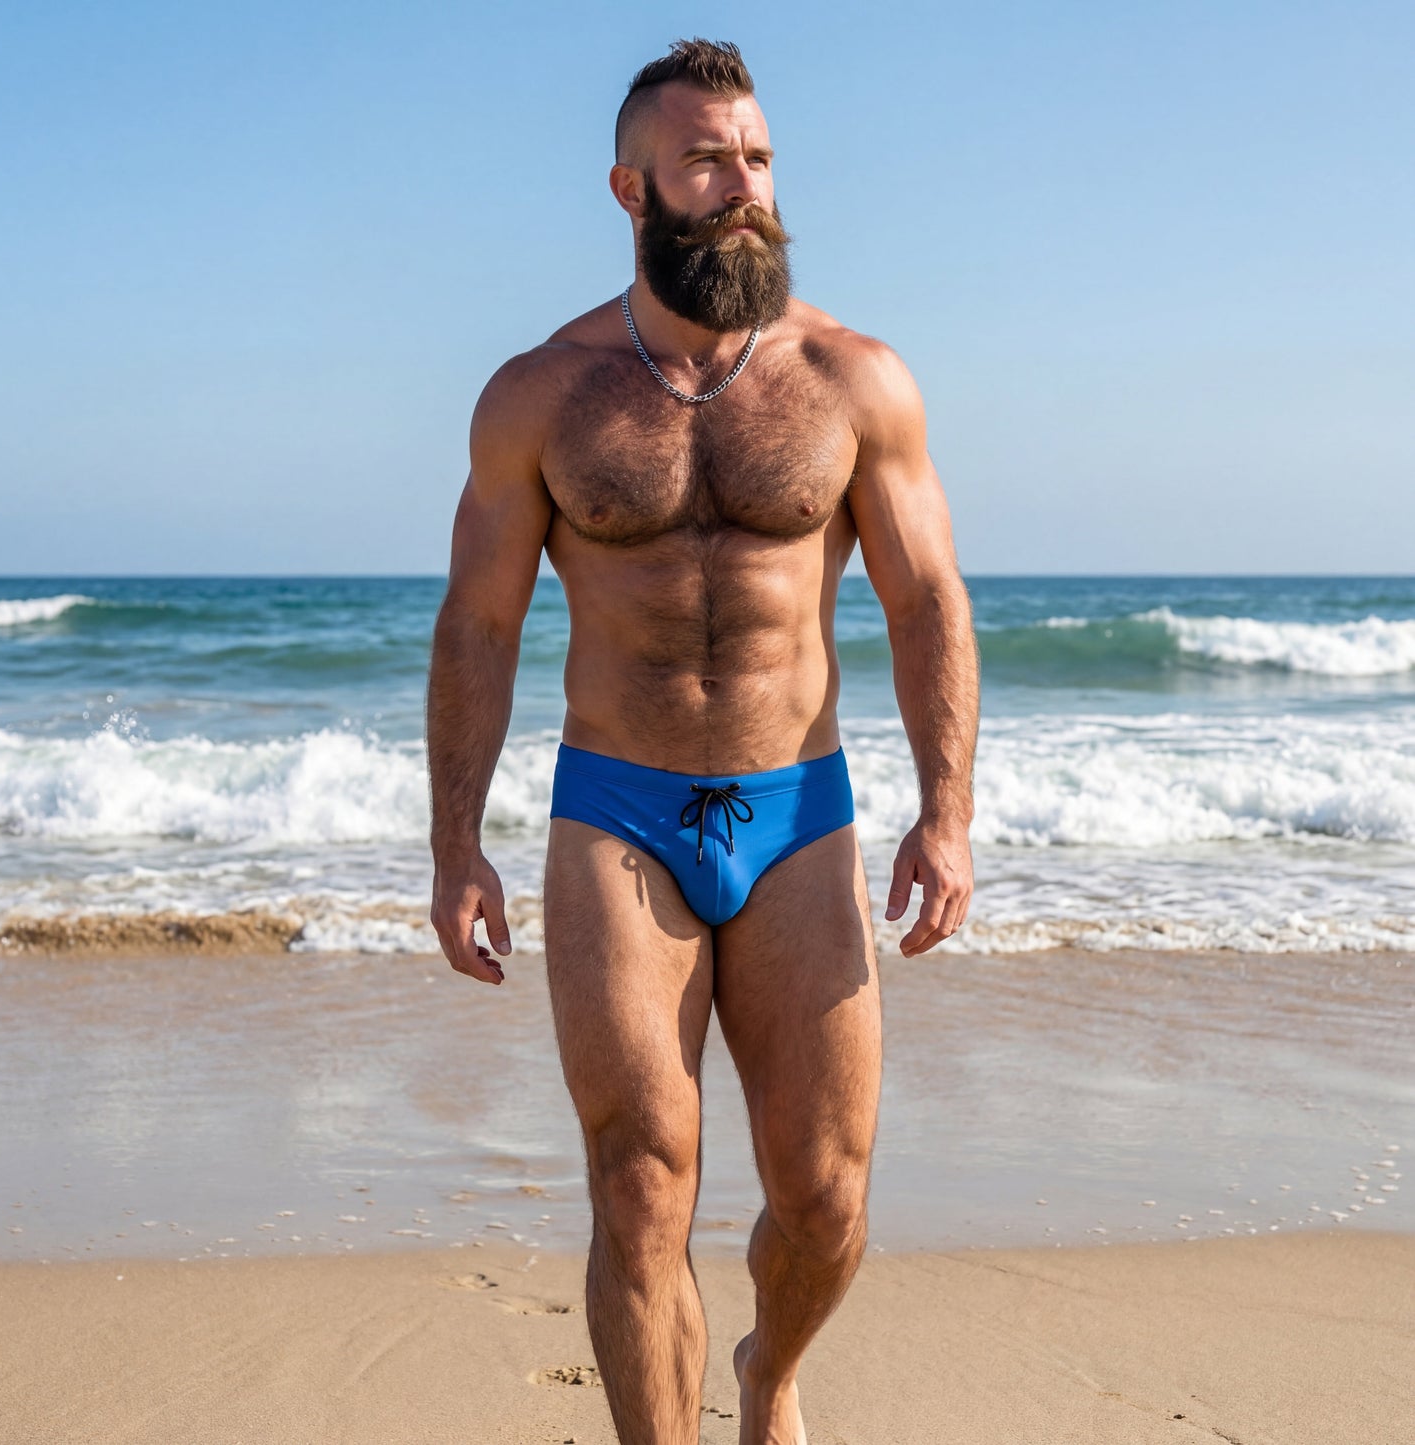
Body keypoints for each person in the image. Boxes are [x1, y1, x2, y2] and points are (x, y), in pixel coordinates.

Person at [427, 37, 978, 1445]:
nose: (743, 187)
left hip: (799, 810)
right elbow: (478, 628)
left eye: (758, 158)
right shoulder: (539, 397)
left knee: (824, 1192)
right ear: (631, 187)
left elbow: (923, 600)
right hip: (617, 809)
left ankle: (769, 1373)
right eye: (706, 161)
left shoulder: (855, 381)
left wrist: (944, 810)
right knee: (639, 1178)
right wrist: (455, 844)